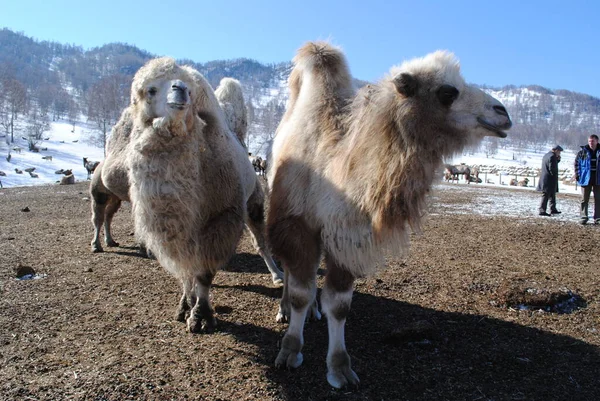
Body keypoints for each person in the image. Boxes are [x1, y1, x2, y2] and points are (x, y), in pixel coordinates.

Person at [574, 134, 600, 225]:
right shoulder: (582, 152)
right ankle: (584, 216)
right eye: (589, 141)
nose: (591, 143)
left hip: (598, 178)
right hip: (586, 178)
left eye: (592, 141)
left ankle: (598, 217)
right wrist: (578, 175)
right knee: (584, 199)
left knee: (598, 199)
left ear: (597, 141)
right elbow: (577, 164)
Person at [537, 145, 563, 216]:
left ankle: (553, 209)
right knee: (546, 195)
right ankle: (542, 210)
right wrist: (554, 175)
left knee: (552, 194)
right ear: (556, 150)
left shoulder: (546, 155)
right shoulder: (552, 156)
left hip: (546, 178)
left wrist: (557, 160)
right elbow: (552, 168)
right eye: (559, 152)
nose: (559, 154)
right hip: (549, 179)